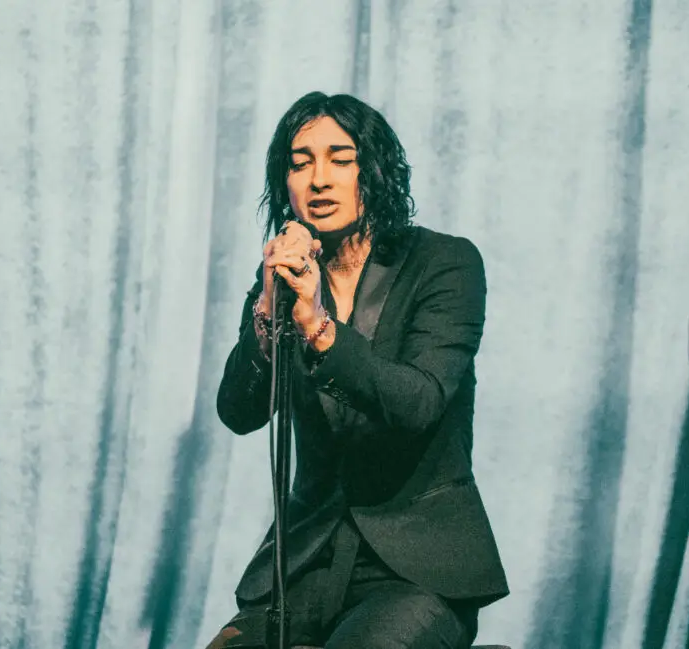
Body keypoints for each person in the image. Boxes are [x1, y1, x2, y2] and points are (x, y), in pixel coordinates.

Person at [206, 91, 508, 649]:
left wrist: (318, 326)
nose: (319, 179)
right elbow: (239, 412)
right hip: (305, 564)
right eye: (300, 163)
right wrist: (268, 310)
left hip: (416, 572)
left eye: (340, 160)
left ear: (375, 171)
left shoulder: (445, 263)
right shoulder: (287, 274)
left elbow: (418, 403)